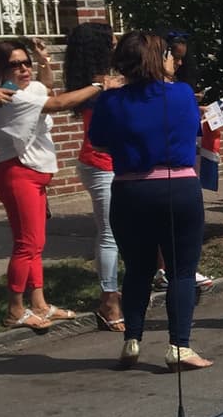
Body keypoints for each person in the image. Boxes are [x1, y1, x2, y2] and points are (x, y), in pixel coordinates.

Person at [86, 31, 210, 370]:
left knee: (138, 269)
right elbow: (193, 133)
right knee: (181, 271)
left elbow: (97, 143)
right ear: (158, 59)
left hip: (130, 189)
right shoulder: (182, 93)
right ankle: (180, 347)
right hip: (178, 188)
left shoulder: (110, 101)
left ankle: (132, 339)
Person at [0, 37, 118, 330]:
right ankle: (15, 310)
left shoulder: (26, 89)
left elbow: (44, 86)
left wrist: (44, 61)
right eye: (14, 65)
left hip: (31, 174)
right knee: (26, 245)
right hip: (18, 174)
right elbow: (57, 102)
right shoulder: (11, 98)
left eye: (25, 62)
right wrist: (98, 86)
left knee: (35, 244)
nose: (23, 69)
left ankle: (40, 304)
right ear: (0, 72)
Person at [64, 21, 123, 332]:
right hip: (102, 166)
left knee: (119, 232)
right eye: (111, 40)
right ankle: (109, 300)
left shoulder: (99, 82)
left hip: (108, 164)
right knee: (109, 234)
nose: (116, 43)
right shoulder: (97, 86)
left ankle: (117, 288)